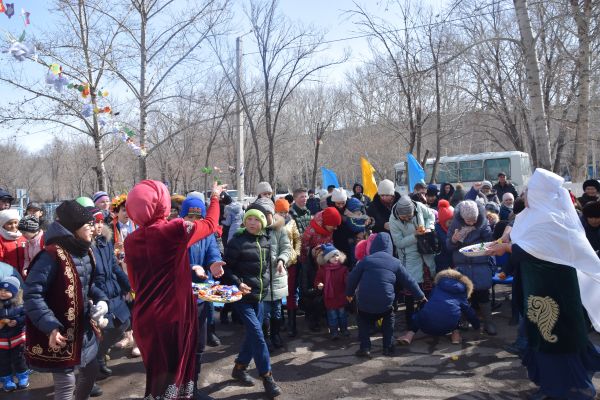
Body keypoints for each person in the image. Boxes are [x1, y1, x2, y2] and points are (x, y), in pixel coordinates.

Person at [488, 168, 600, 400]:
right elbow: (523, 239)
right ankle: (549, 384)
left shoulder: (551, 218)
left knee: (556, 338)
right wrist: (506, 239)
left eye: (528, 191)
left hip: (554, 289)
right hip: (536, 286)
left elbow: (535, 250)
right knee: (541, 336)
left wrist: (506, 248)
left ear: (539, 194)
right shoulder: (534, 214)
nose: (524, 195)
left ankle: (563, 388)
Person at [123, 180, 225, 399]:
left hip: (144, 318)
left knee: (157, 378)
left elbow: (133, 282)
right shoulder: (175, 229)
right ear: (162, 203)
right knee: (174, 377)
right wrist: (215, 197)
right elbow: (210, 224)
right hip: (172, 317)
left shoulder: (130, 240)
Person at [24, 200, 109, 400]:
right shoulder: (50, 255)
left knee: (91, 372)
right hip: (60, 332)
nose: (93, 228)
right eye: (88, 224)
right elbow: (32, 294)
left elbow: (88, 285)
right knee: (66, 384)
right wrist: (50, 326)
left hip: (84, 328)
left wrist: (102, 300)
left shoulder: (86, 251)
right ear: (74, 227)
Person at [223, 208, 282, 398]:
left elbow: (265, 269)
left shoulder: (265, 241)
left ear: (262, 223)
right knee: (258, 335)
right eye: (249, 219)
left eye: (256, 220)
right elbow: (226, 270)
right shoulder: (236, 242)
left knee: (252, 335)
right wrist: (238, 283)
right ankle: (267, 377)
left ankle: (240, 368)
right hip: (241, 298)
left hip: (259, 296)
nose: (252, 223)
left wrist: (275, 271)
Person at [346, 232, 425, 358]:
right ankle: (388, 347)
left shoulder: (366, 260)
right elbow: (409, 281)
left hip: (365, 302)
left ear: (373, 246)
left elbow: (352, 278)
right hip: (385, 302)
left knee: (363, 321)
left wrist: (349, 294)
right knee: (388, 319)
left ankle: (365, 348)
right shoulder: (395, 262)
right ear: (390, 247)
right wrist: (420, 296)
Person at [179, 195, 226, 395]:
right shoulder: (175, 233)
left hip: (202, 295)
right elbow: (171, 260)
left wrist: (214, 263)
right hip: (180, 299)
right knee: (182, 347)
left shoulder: (207, 234)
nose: (194, 222)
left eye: (198, 217)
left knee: (199, 344)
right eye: (189, 217)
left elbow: (212, 251)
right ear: (182, 216)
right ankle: (178, 387)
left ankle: (193, 387)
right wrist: (191, 266)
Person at [90, 208, 131, 380]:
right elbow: (88, 278)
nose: (98, 226)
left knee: (124, 323)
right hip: (99, 296)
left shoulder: (105, 241)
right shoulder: (86, 247)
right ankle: (94, 365)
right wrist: (100, 297)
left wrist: (128, 286)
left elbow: (114, 266)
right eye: (94, 223)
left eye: (101, 222)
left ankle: (99, 355)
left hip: (113, 290)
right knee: (102, 331)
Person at [446, 200, 496, 335]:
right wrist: (454, 240)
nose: (472, 222)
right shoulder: (455, 224)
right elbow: (448, 246)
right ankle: (463, 320)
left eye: (474, 219)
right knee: (463, 294)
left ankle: (488, 322)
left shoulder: (483, 223)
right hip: (462, 264)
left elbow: (490, 241)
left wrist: (483, 245)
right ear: (462, 218)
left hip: (480, 263)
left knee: (483, 294)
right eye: (468, 220)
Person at [249, 198, 291, 352]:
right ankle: (265, 337)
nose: (266, 217)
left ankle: (276, 334)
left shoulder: (280, 230)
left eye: (268, 213)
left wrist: (281, 260)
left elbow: (286, 248)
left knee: (277, 311)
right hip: (262, 280)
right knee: (264, 312)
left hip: (278, 278)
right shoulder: (255, 232)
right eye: (263, 213)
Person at [389, 196, 436, 326]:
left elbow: (431, 216)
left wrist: (429, 227)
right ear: (398, 214)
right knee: (411, 290)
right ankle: (410, 321)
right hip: (409, 257)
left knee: (428, 288)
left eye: (409, 216)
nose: (407, 219)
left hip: (425, 250)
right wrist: (415, 235)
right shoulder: (393, 220)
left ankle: (427, 319)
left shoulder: (419, 206)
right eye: (404, 217)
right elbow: (398, 243)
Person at [299, 207, 342, 332]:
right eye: (333, 225)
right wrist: (310, 258)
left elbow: (330, 243)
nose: (335, 228)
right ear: (327, 223)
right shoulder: (310, 231)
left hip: (325, 262)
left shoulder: (329, 228)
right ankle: (312, 318)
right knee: (313, 295)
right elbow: (303, 248)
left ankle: (325, 315)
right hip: (310, 263)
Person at [109, 194, 139, 358]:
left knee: (137, 306)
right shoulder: (110, 228)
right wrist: (114, 248)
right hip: (119, 272)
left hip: (136, 271)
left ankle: (138, 341)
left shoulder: (138, 225)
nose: (127, 213)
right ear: (116, 212)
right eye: (123, 210)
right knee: (124, 305)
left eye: (129, 210)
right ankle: (128, 336)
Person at [275, 199, 301, 338]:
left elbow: (297, 239)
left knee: (291, 293)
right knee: (279, 293)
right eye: (281, 212)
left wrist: (296, 253)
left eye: (285, 212)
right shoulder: (271, 223)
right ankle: (280, 321)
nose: (284, 214)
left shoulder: (292, 222)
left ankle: (292, 324)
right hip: (276, 263)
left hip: (291, 263)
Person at [314, 244, 349, 340]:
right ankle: (334, 332)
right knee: (332, 316)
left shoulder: (343, 269)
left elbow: (347, 281)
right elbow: (317, 280)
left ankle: (344, 329)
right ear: (327, 258)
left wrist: (348, 281)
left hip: (341, 296)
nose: (336, 258)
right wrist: (319, 284)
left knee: (342, 315)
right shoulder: (323, 270)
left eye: (337, 255)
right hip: (329, 298)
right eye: (332, 256)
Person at [0, 276, 29, 391]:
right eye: (1, 289)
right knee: (3, 362)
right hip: (1, 341)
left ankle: (23, 377)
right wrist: (2, 322)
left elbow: (26, 317)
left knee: (19, 359)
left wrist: (17, 321)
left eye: (7, 290)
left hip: (17, 338)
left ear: (15, 292)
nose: (2, 292)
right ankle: (7, 380)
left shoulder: (20, 305)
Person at [0, 209, 26, 277]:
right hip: (8, 275)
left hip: (24, 274)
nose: (13, 226)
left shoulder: (24, 236)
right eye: (9, 223)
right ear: (3, 225)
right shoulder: (1, 239)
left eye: (15, 222)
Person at [434, 200, 454, 272]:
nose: (452, 224)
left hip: (452, 260)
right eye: (450, 222)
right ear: (443, 221)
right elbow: (447, 245)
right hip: (442, 261)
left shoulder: (450, 228)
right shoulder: (437, 229)